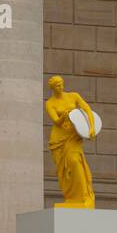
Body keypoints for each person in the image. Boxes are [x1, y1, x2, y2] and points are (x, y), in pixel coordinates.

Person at [44, 75, 96, 208]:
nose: (60, 88)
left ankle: (84, 196)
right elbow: (56, 121)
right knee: (63, 172)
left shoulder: (74, 96)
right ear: (52, 88)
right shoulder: (50, 103)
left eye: (61, 84)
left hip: (73, 137)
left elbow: (88, 110)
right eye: (57, 86)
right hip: (58, 139)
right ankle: (71, 198)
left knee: (75, 162)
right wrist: (64, 117)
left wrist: (92, 128)